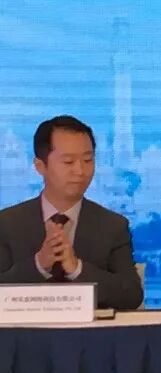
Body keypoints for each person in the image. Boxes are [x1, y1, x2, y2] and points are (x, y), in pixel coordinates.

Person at [0, 115, 142, 310]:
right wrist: (39, 265)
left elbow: (131, 296)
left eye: (87, 160)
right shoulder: (7, 224)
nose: (80, 171)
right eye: (68, 162)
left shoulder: (113, 226)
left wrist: (77, 269)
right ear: (40, 166)